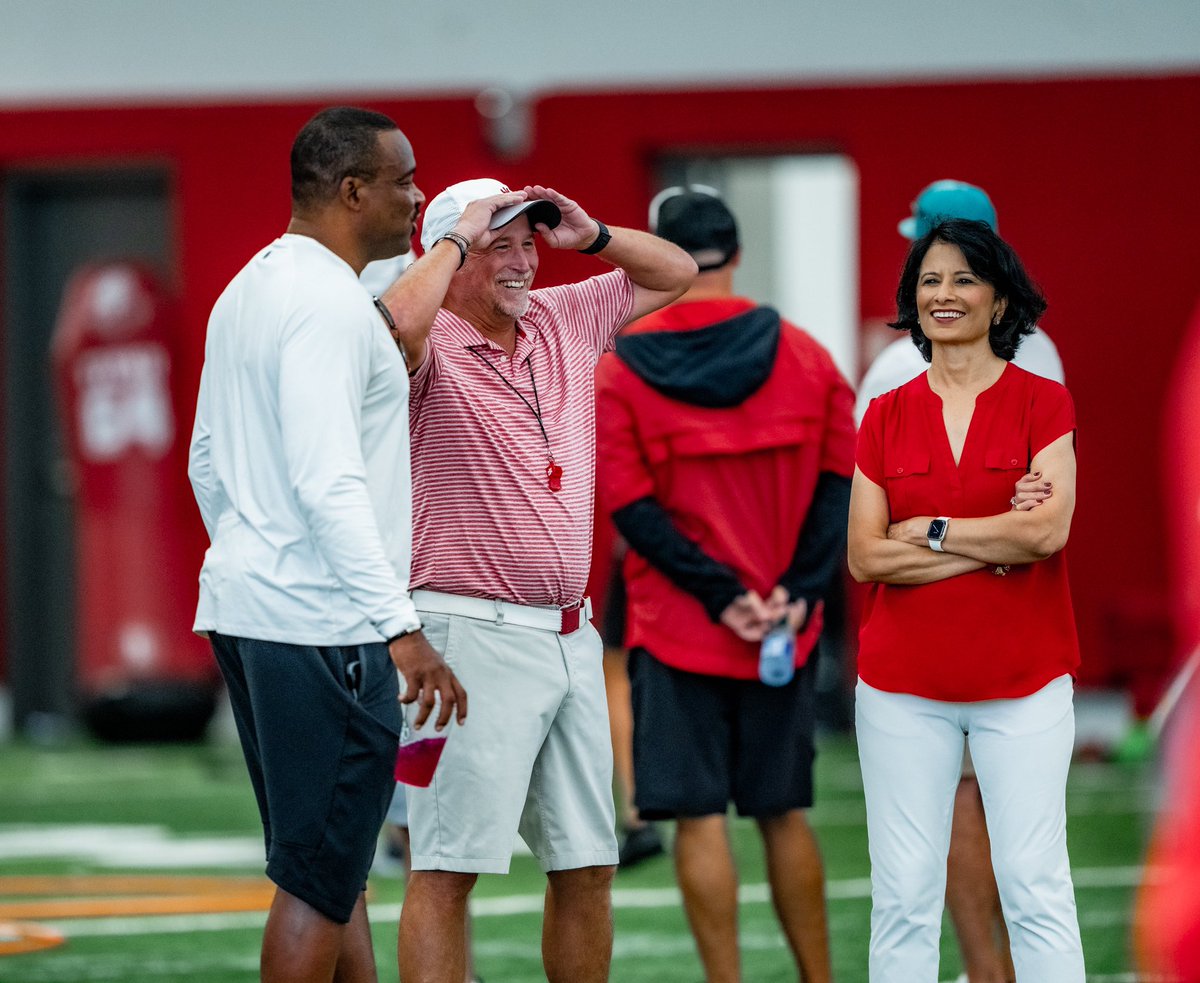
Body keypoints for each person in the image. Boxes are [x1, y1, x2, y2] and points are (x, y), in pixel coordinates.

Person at [187, 106, 517, 983]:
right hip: (322, 626)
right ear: (352, 189)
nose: (415, 198)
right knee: (316, 876)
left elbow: (207, 461)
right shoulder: (333, 304)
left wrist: (256, 554)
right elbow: (329, 481)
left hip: (251, 608)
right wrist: (398, 626)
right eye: (404, 180)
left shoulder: (245, 287)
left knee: (332, 867)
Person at [377, 177, 696, 983]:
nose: (523, 262)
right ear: (450, 258)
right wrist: (452, 240)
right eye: (501, 245)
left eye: (529, 242)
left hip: (568, 634)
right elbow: (390, 327)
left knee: (589, 862)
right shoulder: (429, 337)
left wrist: (590, 235)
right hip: (461, 633)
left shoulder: (562, 315)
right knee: (446, 867)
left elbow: (675, 271)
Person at [595, 186, 855, 983]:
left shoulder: (619, 367)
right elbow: (840, 484)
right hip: (782, 626)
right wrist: (797, 592)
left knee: (698, 816)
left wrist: (718, 596)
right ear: (736, 253)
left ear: (660, 260)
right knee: (783, 811)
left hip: (678, 629)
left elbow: (630, 509)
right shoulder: (808, 356)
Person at [848, 217, 1085, 981]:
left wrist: (935, 532)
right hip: (900, 690)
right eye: (929, 281)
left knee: (1034, 884)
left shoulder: (1044, 405)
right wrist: (992, 546)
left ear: (1001, 300)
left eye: (963, 279)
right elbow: (864, 556)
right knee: (904, 894)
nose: (943, 295)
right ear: (912, 304)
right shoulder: (883, 414)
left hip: (1025, 682)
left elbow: (1046, 534)